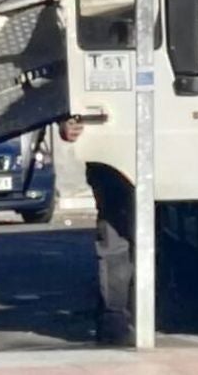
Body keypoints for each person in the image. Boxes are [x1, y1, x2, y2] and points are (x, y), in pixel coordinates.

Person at [58, 116, 135, 346]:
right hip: (110, 161)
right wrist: (66, 123)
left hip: (111, 158)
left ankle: (117, 321)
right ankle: (116, 321)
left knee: (116, 241)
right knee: (116, 239)